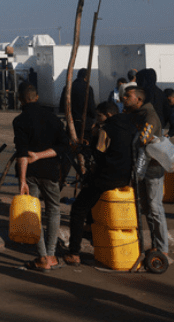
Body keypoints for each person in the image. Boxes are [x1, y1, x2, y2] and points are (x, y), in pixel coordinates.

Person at [62, 101, 135, 265]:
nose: (98, 118)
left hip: (106, 177)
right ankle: (91, 233)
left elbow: (99, 155)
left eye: (99, 116)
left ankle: (74, 252)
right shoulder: (130, 126)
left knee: (78, 208)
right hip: (124, 177)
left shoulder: (106, 129)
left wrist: (94, 138)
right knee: (91, 204)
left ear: (108, 115)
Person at [12, 84, 67, 271]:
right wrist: (42, 155)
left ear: (20, 99)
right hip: (51, 171)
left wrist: (22, 180)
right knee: (53, 211)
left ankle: (42, 257)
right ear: (36, 97)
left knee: (33, 214)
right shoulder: (53, 119)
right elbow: (63, 147)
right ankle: (51, 255)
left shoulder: (20, 121)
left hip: (31, 174)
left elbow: (22, 154)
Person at [122, 86, 169, 260]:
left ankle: (163, 248)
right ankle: (156, 245)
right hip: (141, 169)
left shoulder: (149, 116)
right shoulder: (137, 114)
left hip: (153, 170)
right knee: (148, 209)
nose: (124, 98)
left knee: (155, 208)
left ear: (139, 100)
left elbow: (143, 140)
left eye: (128, 96)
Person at [60, 68, 96, 141]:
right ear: (87, 76)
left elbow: (62, 105)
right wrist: (93, 116)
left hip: (71, 121)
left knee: (72, 144)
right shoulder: (88, 88)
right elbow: (91, 105)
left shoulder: (67, 87)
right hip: (85, 122)